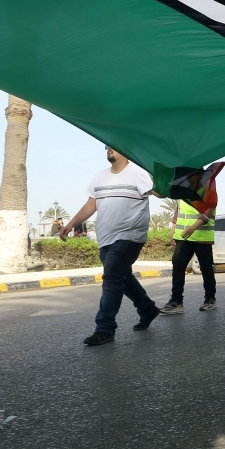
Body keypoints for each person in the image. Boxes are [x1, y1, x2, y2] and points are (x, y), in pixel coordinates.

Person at [61, 146, 161, 346]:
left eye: (112, 146)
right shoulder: (99, 177)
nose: (108, 149)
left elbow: (160, 193)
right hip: (105, 237)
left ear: (125, 149)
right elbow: (91, 204)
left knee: (112, 278)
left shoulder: (139, 173)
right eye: (106, 146)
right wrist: (71, 224)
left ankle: (105, 328)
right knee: (123, 277)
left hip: (130, 235)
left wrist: (163, 176)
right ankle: (147, 308)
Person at [160, 170, 217, 314]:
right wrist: (173, 229)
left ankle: (210, 299)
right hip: (183, 236)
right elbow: (178, 208)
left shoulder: (207, 184)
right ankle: (176, 301)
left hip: (201, 236)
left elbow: (209, 209)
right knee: (178, 266)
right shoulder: (182, 183)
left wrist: (193, 228)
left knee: (206, 268)